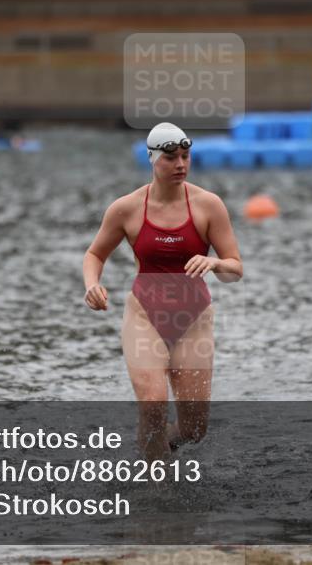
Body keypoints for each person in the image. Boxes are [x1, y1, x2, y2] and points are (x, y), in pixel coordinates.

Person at [83, 122, 243, 461]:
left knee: (194, 430)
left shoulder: (208, 205)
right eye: (171, 158)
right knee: (153, 403)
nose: (180, 164)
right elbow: (94, 255)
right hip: (144, 316)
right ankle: (157, 480)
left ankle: (160, 445)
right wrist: (92, 284)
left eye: (186, 156)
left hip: (193, 321)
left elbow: (235, 270)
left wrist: (215, 263)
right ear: (152, 159)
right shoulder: (126, 208)